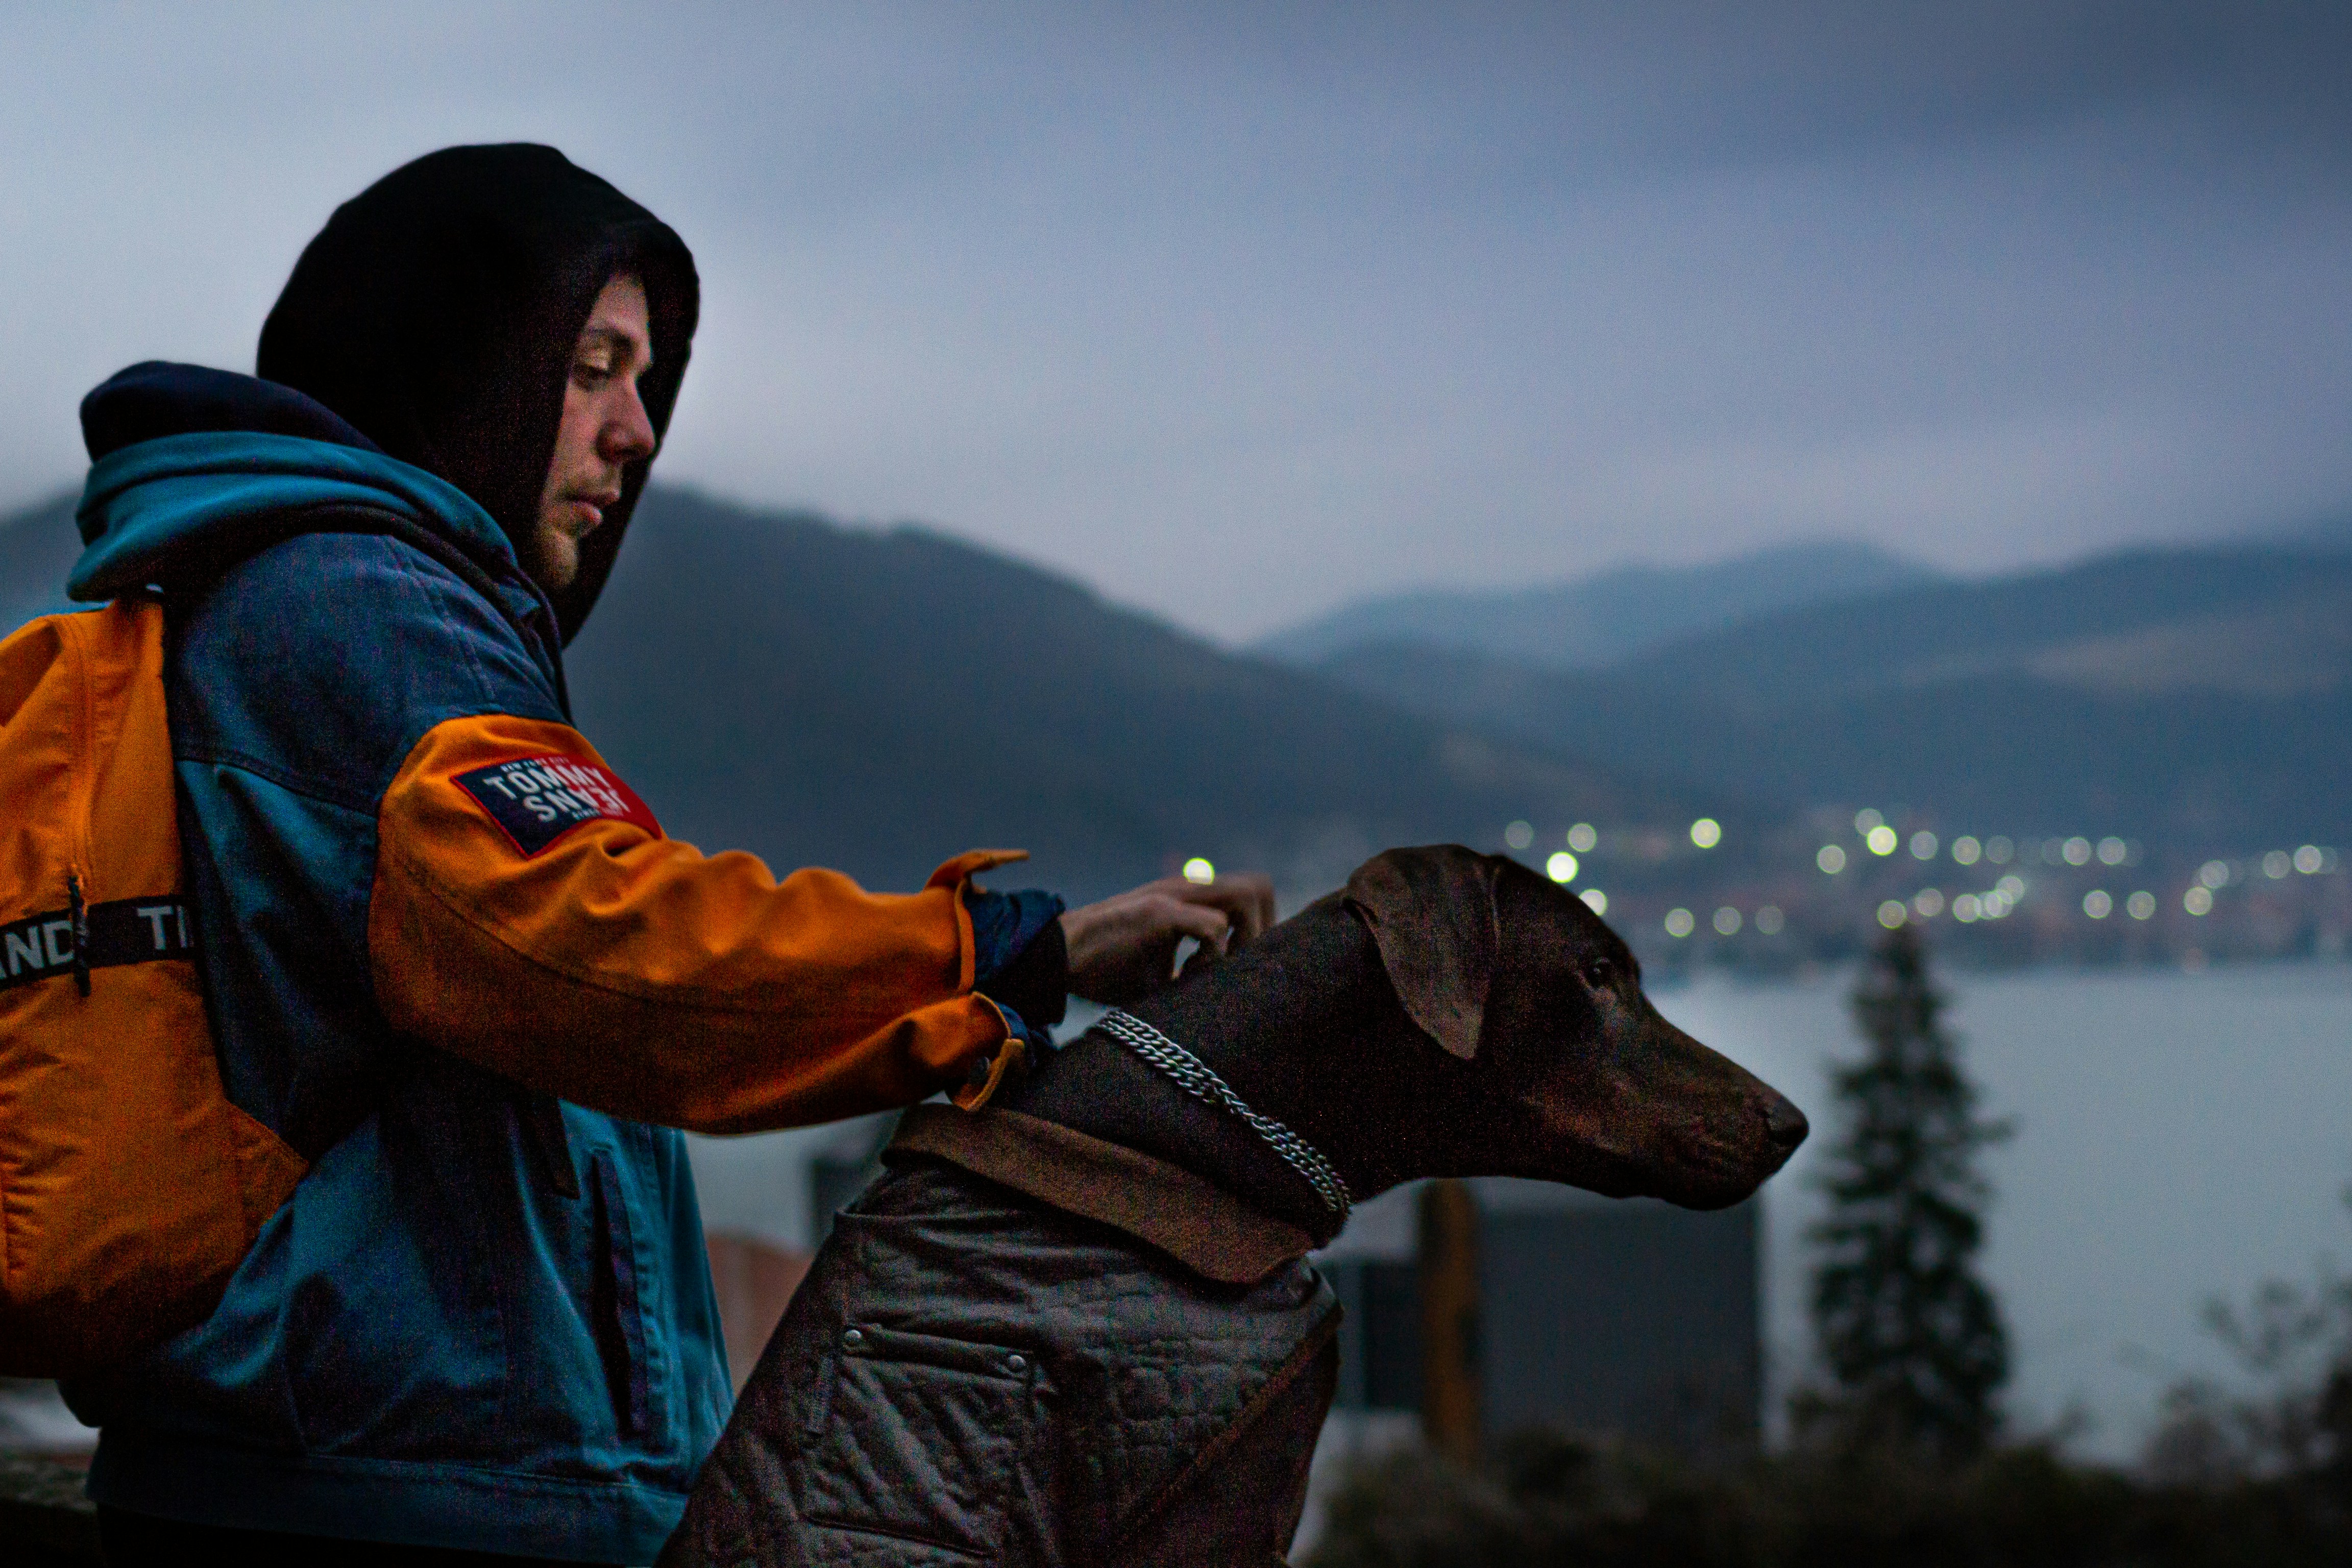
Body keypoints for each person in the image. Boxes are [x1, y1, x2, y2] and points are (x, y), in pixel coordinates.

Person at [64, 143, 1272, 1565]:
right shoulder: (361, 605)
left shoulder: (289, 597)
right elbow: (612, 945)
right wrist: (1004, 952)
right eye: (590, 369)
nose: (637, 431)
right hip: (400, 1497)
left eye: (646, 379)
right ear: (457, 367)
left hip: (353, 1475)